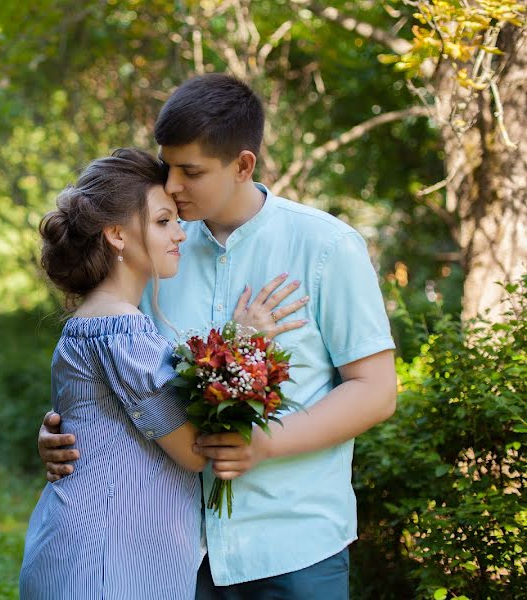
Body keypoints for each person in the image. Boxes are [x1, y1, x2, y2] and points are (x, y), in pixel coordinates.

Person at [38, 74, 397, 600]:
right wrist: (68, 434)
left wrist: (263, 444)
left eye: (192, 171)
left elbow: (375, 389)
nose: (175, 185)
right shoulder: (158, 252)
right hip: (175, 557)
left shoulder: (326, 246)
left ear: (243, 165)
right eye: (168, 168)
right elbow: (125, 375)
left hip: (293, 547)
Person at [19, 148, 306, 600]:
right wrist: (244, 342)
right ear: (116, 234)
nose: (180, 235)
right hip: (105, 561)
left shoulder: (96, 322)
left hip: (92, 551)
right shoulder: (121, 331)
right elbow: (193, 452)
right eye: (163, 222)